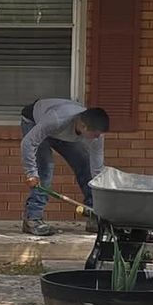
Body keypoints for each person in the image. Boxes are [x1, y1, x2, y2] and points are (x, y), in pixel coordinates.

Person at [20, 99, 110, 236]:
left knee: (84, 163)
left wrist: (100, 188)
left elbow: (96, 168)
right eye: (94, 134)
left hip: (60, 131)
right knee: (45, 168)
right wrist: (31, 173)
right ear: (82, 125)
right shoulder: (56, 119)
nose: (97, 138)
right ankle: (33, 219)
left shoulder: (97, 134)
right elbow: (28, 143)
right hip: (34, 121)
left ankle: (94, 215)